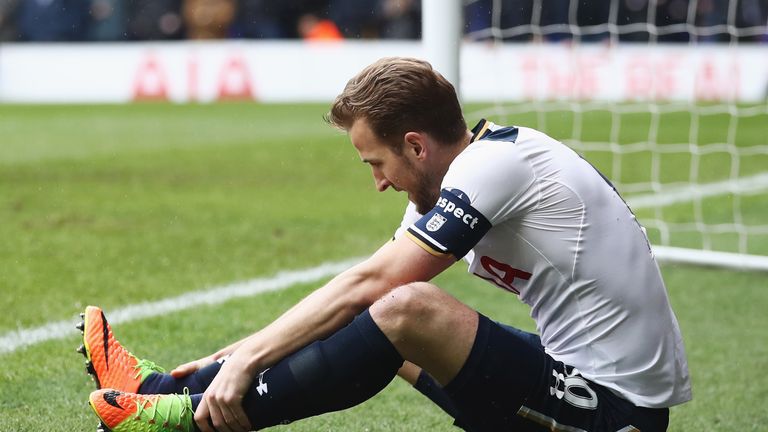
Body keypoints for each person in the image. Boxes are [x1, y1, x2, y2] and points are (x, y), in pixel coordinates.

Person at [79, 57, 691, 432]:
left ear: (417, 146)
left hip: (617, 414)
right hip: (571, 382)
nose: (378, 182)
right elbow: (352, 300)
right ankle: (168, 397)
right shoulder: (459, 173)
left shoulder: (496, 167)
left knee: (406, 308)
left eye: (377, 162)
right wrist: (222, 361)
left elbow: (376, 288)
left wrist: (243, 365)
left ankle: (187, 421)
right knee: (383, 323)